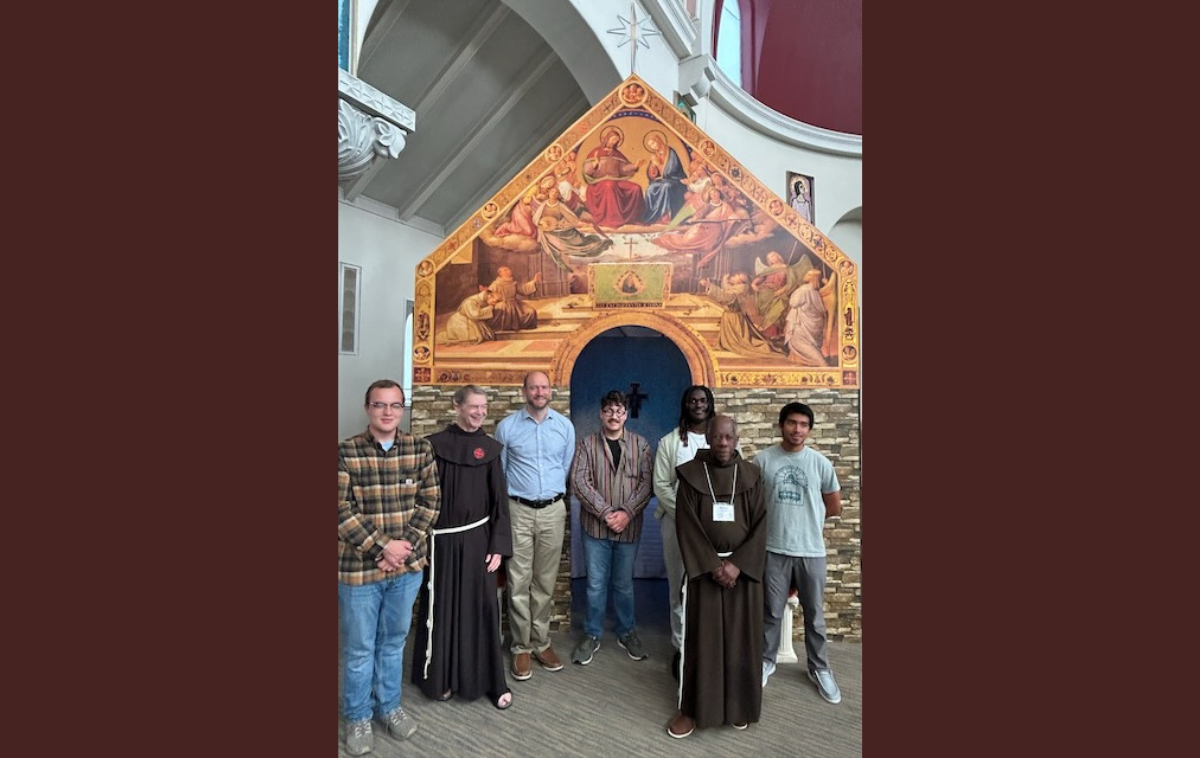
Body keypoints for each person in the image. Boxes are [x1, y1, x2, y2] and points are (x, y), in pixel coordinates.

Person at [338, 380, 442, 756]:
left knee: (393, 642)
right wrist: (384, 546)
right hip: (358, 571)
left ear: (403, 410)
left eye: (395, 405)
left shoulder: (420, 449)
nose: (387, 412)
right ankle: (357, 715)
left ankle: (388, 707)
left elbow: (430, 504)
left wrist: (403, 548)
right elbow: (340, 511)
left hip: (406, 569)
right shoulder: (346, 451)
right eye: (380, 405)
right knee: (360, 647)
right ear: (367, 408)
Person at [411, 385, 514, 710]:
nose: (480, 412)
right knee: (440, 608)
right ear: (457, 407)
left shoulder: (491, 450)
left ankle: (489, 682)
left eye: (484, 407)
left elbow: (500, 502)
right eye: (474, 406)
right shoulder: (434, 446)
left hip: (479, 542)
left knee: (482, 607)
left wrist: (498, 546)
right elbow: (420, 497)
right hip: (439, 542)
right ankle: (439, 678)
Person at [668, 415, 766, 738]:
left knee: (740, 641)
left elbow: (761, 525)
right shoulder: (692, 475)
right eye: (717, 437)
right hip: (704, 569)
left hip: (742, 572)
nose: (723, 443)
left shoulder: (751, 476)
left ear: (737, 439)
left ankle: (737, 706)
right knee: (702, 641)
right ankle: (693, 710)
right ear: (708, 438)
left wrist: (737, 564)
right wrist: (712, 565)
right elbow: (686, 525)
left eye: (729, 437)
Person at [753, 402, 843, 704]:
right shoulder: (763, 460)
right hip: (773, 550)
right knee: (770, 613)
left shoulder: (820, 464)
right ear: (781, 425)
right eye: (792, 423)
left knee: (815, 616)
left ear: (810, 429)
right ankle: (766, 661)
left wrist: (805, 523)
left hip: (811, 552)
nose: (797, 429)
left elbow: (834, 506)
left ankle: (819, 668)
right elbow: (752, 505)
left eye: (804, 424)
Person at [495, 371, 577, 681]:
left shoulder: (564, 427)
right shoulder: (507, 428)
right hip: (518, 511)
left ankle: (541, 642)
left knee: (544, 581)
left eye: (544, 387)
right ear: (524, 390)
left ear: (550, 391)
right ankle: (521, 648)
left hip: (553, 510)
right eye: (533, 387)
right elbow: (500, 473)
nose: (539, 392)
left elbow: (565, 466)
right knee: (518, 581)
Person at [570, 389, 654, 665]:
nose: (614, 415)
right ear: (601, 414)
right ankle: (592, 634)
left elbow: (647, 483)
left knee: (623, 585)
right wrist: (607, 513)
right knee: (595, 585)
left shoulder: (641, 445)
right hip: (595, 529)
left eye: (619, 411)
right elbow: (579, 482)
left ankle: (626, 631)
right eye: (609, 411)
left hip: (628, 528)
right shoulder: (586, 445)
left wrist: (626, 513)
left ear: (626, 415)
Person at [652, 385, 716, 681]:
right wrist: (688, 515)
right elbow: (661, 486)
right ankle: (680, 648)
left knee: (709, 588)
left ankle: (708, 647)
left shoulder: (723, 439)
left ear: (710, 404)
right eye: (692, 400)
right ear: (685, 404)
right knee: (679, 588)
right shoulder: (670, 442)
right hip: (677, 524)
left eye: (703, 400)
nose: (698, 405)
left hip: (715, 529)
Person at [582, 125, 646, 228]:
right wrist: (596, 163)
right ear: (607, 139)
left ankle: (633, 218)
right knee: (609, 185)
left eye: (616, 140)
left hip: (616, 180)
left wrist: (635, 166)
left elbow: (623, 169)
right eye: (613, 139)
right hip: (600, 182)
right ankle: (613, 219)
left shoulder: (617, 154)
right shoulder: (596, 152)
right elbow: (587, 171)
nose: (614, 142)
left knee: (636, 188)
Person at [784, 268, 831, 366]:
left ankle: (821, 362)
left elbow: (794, 303)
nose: (805, 275)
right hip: (812, 322)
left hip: (802, 323)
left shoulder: (804, 289)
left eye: (808, 274)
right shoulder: (814, 291)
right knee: (807, 343)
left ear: (812, 278)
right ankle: (801, 359)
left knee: (800, 342)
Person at [642, 130, 688, 225]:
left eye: (653, 143)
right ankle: (653, 217)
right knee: (650, 189)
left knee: (666, 187)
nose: (653, 147)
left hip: (675, 180)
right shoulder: (655, 155)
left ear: (658, 141)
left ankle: (665, 216)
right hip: (663, 180)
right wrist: (652, 168)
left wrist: (658, 164)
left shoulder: (670, 152)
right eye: (651, 146)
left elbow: (671, 170)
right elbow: (652, 175)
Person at [487, 266, 542, 331]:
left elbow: (524, 289)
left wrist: (534, 281)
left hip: (515, 304)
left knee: (531, 311)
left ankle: (524, 325)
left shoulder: (513, 282)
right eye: (505, 270)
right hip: (502, 305)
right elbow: (489, 296)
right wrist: (494, 301)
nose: (508, 271)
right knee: (504, 310)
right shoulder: (495, 284)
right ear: (500, 274)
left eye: (508, 269)